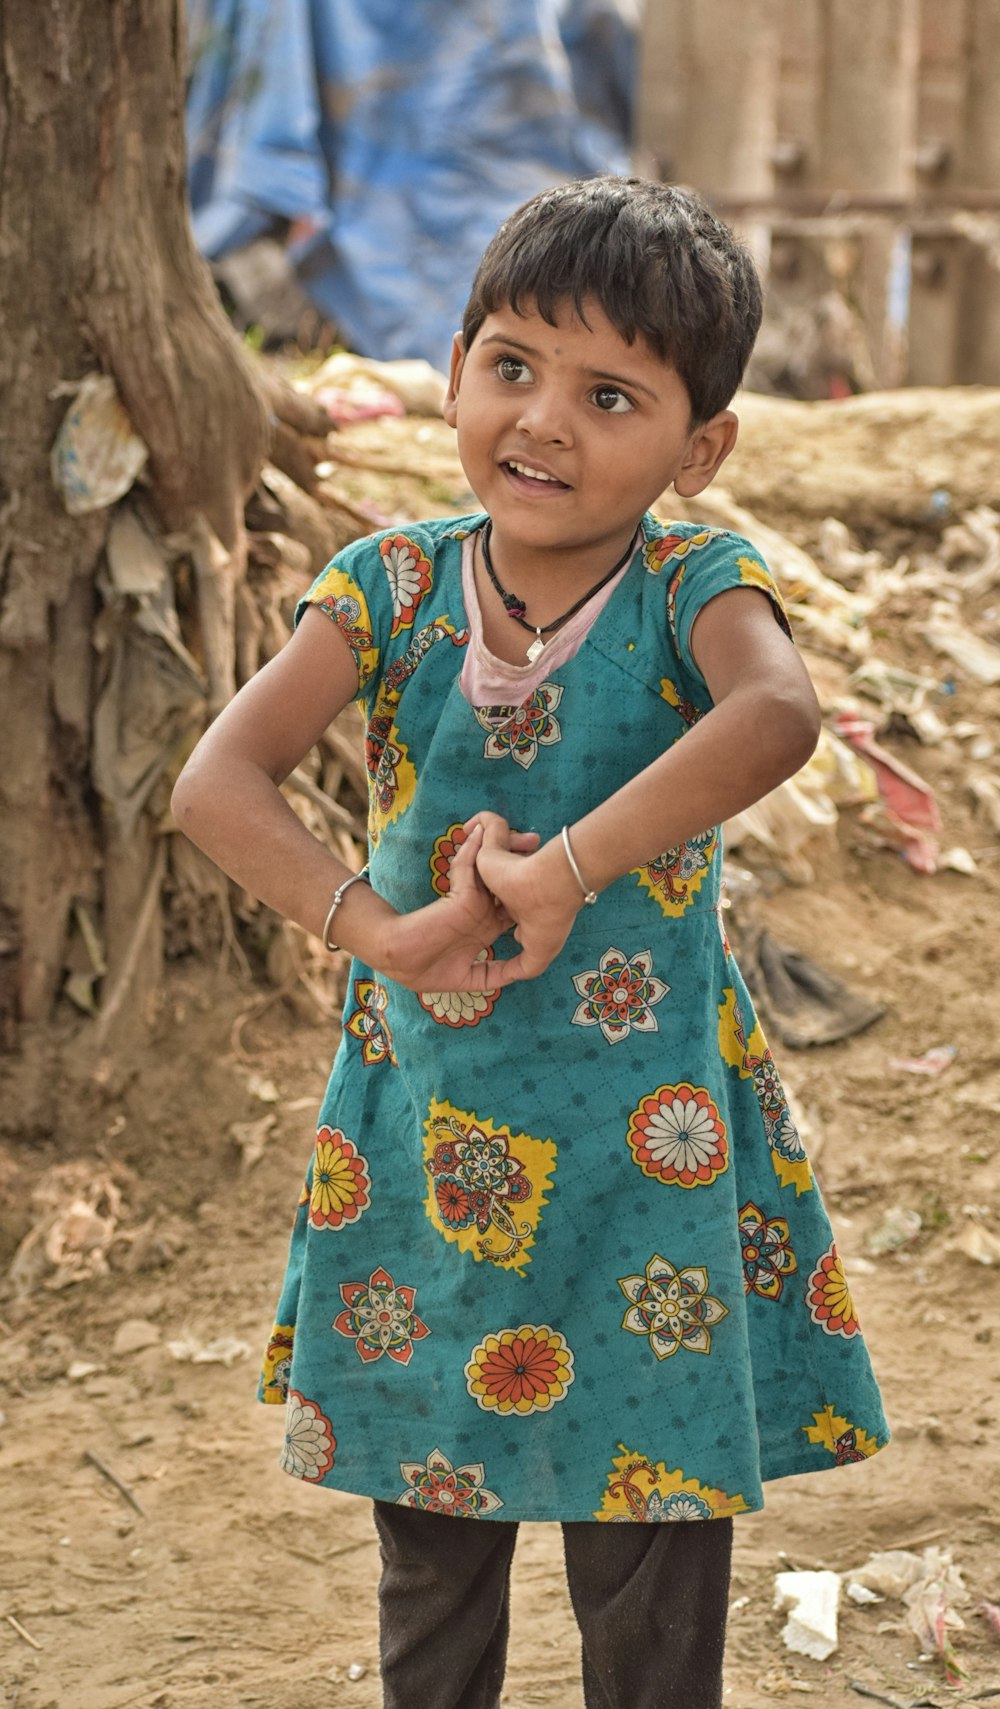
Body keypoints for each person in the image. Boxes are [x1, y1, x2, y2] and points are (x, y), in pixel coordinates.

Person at [172, 176, 888, 1709]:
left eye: (609, 392)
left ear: (700, 450)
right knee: (432, 1539)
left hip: (653, 1159)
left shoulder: (697, 591)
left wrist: (563, 867)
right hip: (428, 1143)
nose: (543, 422)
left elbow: (778, 717)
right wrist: (381, 931)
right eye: (511, 365)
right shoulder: (389, 587)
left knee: (645, 1552)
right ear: (450, 371)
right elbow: (215, 782)